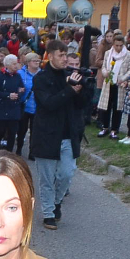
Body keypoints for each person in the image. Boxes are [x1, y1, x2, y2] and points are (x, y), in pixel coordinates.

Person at [29, 43, 90, 230]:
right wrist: (70, 90)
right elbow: (48, 103)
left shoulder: (69, 75)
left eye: (66, 55)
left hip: (68, 135)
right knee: (47, 178)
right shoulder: (41, 79)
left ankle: (56, 202)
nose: (65, 59)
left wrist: (84, 86)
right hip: (46, 135)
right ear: (50, 56)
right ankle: (49, 213)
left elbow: (81, 104)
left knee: (66, 173)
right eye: (61, 55)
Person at [95, 34, 130, 139]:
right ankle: (105, 127)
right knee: (106, 107)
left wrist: (123, 78)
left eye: (121, 45)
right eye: (116, 45)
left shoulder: (128, 54)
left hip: (120, 84)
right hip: (108, 83)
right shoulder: (108, 53)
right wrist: (105, 73)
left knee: (117, 107)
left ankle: (114, 130)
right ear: (113, 44)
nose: (118, 48)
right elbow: (103, 67)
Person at [0, 55, 25, 153]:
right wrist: (7, 95)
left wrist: (19, 92)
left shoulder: (18, 76)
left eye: (17, 63)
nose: (16, 66)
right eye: (14, 64)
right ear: (8, 65)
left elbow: (21, 88)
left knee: (12, 133)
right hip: (2, 109)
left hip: (14, 109)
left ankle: (10, 152)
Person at [15, 52, 41, 156]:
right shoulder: (21, 74)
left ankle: (32, 152)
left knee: (35, 132)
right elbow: (15, 86)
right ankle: (19, 149)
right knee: (22, 130)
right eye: (34, 61)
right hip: (24, 106)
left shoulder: (41, 73)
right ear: (28, 62)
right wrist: (19, 90)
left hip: (37, 107)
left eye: (38, 61)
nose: (37, 63)